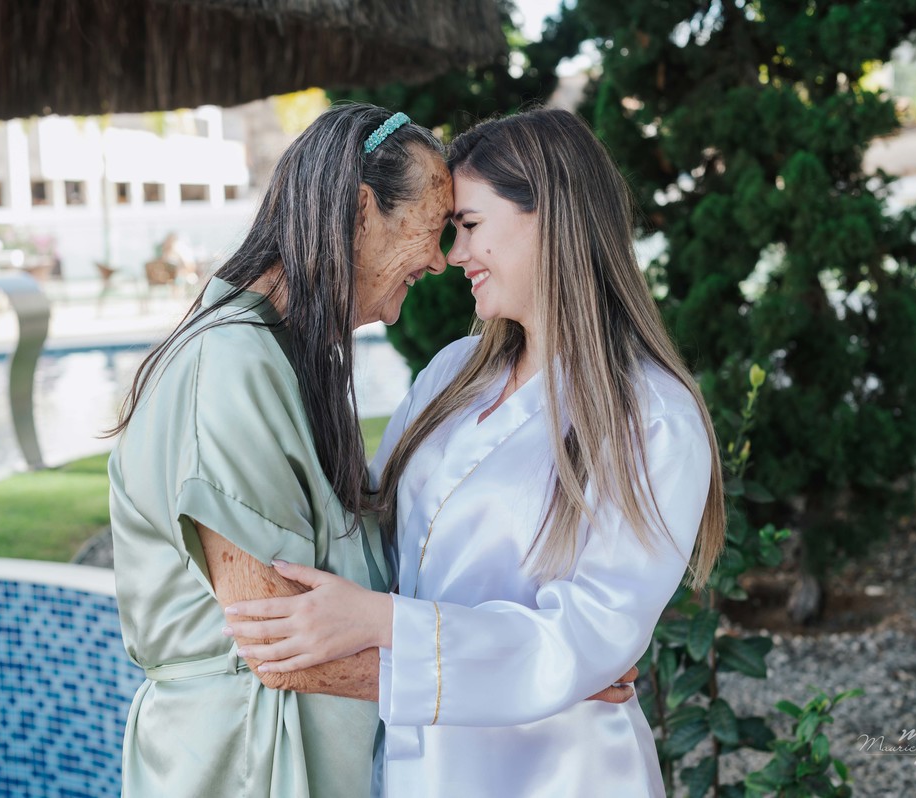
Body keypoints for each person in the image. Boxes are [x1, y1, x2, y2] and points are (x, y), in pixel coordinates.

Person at [106, 105, 636, 798]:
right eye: (434, 230)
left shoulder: (280, 356)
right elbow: (283, 650)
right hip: (245, 767)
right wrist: (549, 680)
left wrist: (550, 660)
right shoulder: (229, 367)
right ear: (361, 212)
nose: (441, 261)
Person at [223, 108, 726, 797]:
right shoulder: (453, 373)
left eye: (469, 226)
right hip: (415, 765)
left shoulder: (652, 418)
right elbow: (370, 536)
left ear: (551, 218)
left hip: (558, 773)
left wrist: (382, 622)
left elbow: (585, 638)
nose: (452, 255)